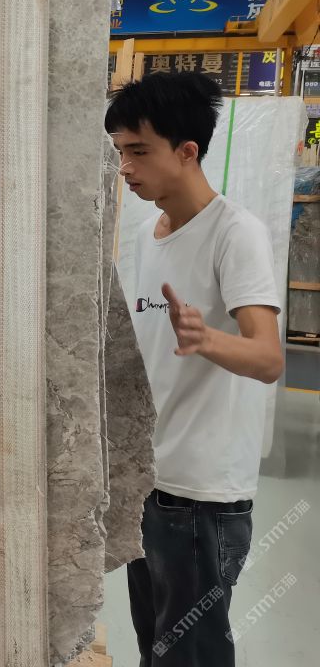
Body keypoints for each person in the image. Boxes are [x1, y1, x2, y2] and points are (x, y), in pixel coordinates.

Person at [105, 71, 285, 667]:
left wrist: (207, 338)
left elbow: (267, 358)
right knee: (156, 646)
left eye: (138, 151)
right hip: (149, 482)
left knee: (192, 656)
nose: (125, 167)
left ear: (187, 151)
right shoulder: (146, 234)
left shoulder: (235, 234)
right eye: (119, 151)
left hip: (204, 494)